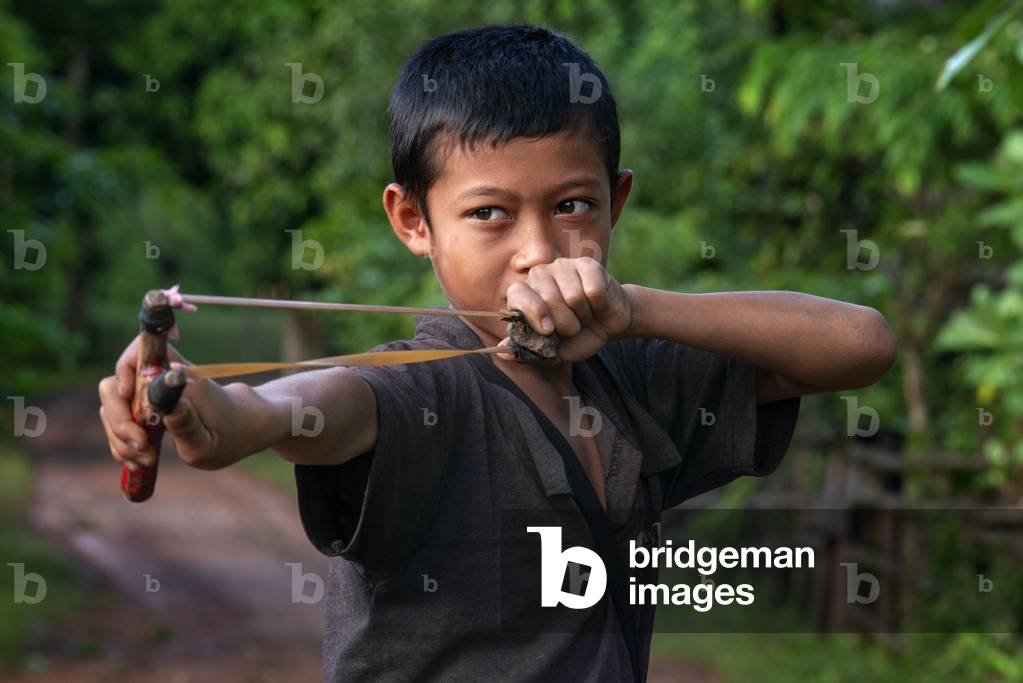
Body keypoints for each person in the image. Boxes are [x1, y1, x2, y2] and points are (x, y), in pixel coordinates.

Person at [98, 24, 897, 682]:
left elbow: (860, 344)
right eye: (489, 214)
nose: (538, 250)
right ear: (413, 222)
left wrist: (635, 308)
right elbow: (309, 407)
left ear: (616, 201)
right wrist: (217, 409)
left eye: (572, 205)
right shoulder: (419, 392)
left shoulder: (633, 376)